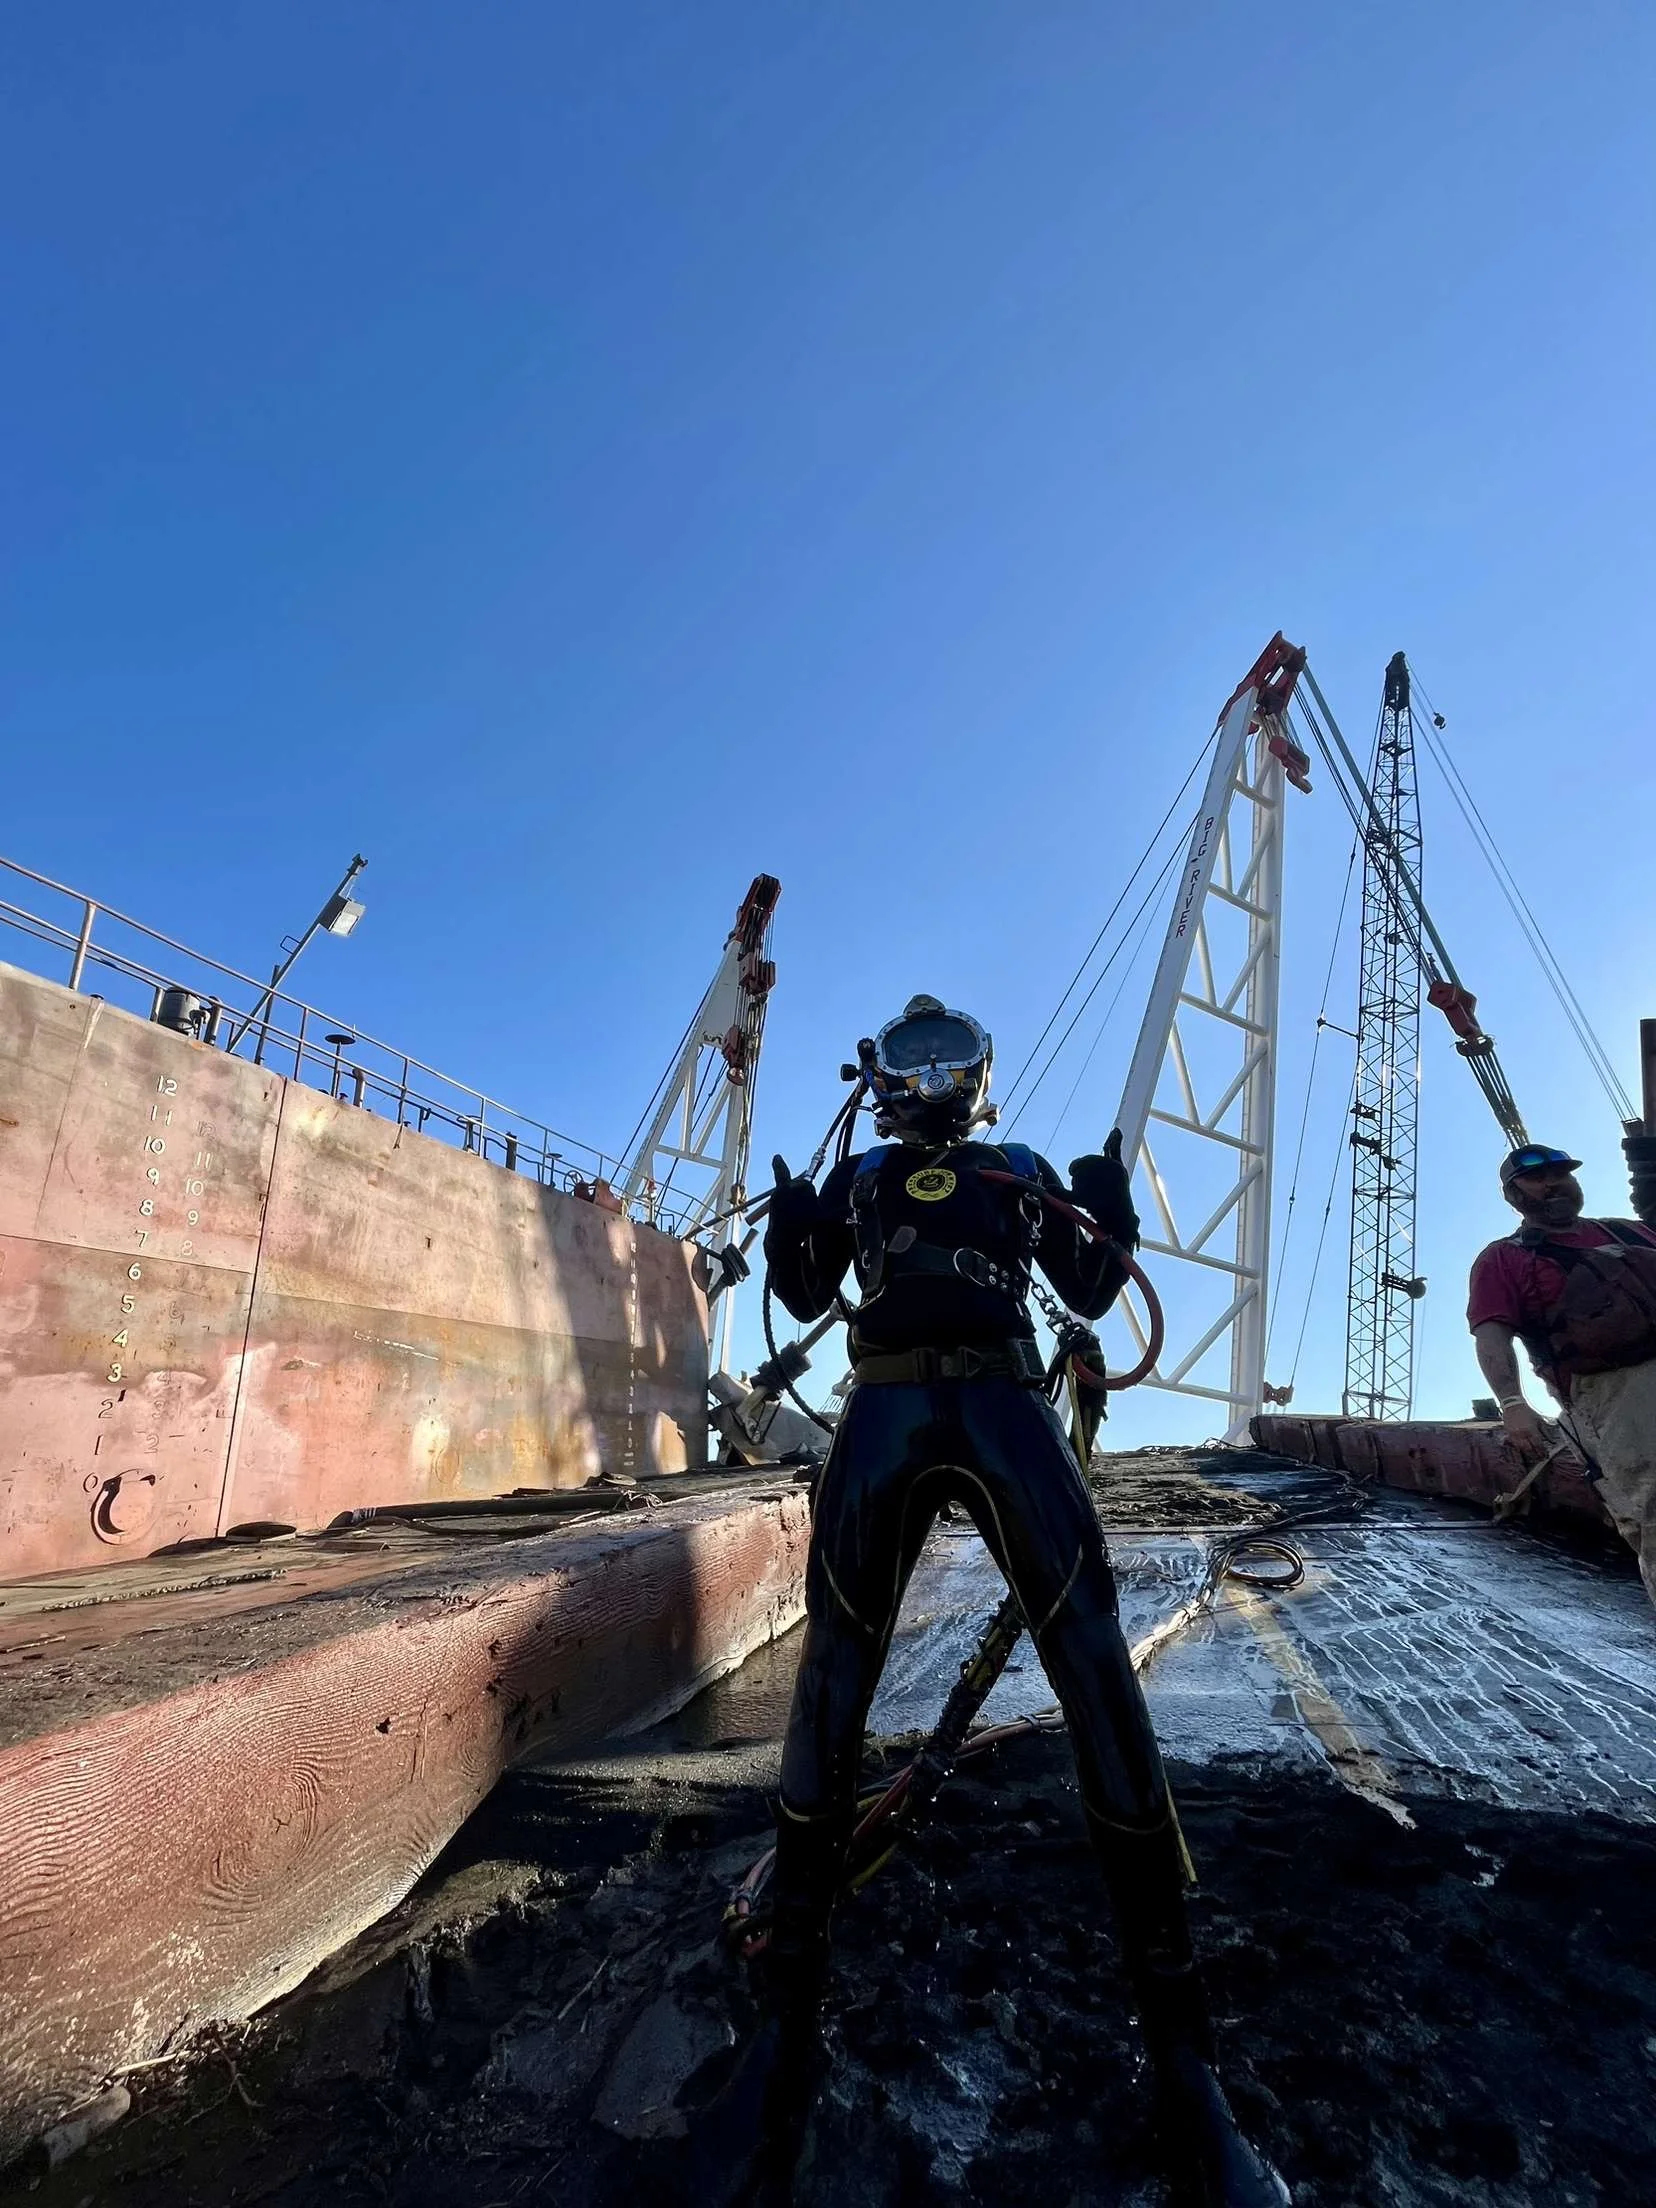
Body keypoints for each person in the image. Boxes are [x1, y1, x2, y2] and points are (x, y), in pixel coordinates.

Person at [692, 997, 1289, 2206]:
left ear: (977, 1074)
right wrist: (800, 1224)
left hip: (1002, 1401)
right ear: (885, 1077)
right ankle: (785, 2026)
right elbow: (805, 1297)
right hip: (889, 1410)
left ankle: (1188, 2066)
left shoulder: (1015, 1168)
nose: (927, 1076)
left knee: (1094, 1670)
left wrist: (1107, 1205)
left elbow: (1089, 1280)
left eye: (946, 1055)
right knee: (834, 1681)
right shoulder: (858, 1175)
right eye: (908, 1059)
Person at [1468, 1141, 1656, 1605]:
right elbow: (1492, 1336)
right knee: (1653, 1507)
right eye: (1537, 1178)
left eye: (1563, 1174)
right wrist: (1513, 1404)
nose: (1554, 1183)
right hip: (1616, 1394)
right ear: (1513, 1196)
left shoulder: (1632, 1233)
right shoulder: (1505, 1257)